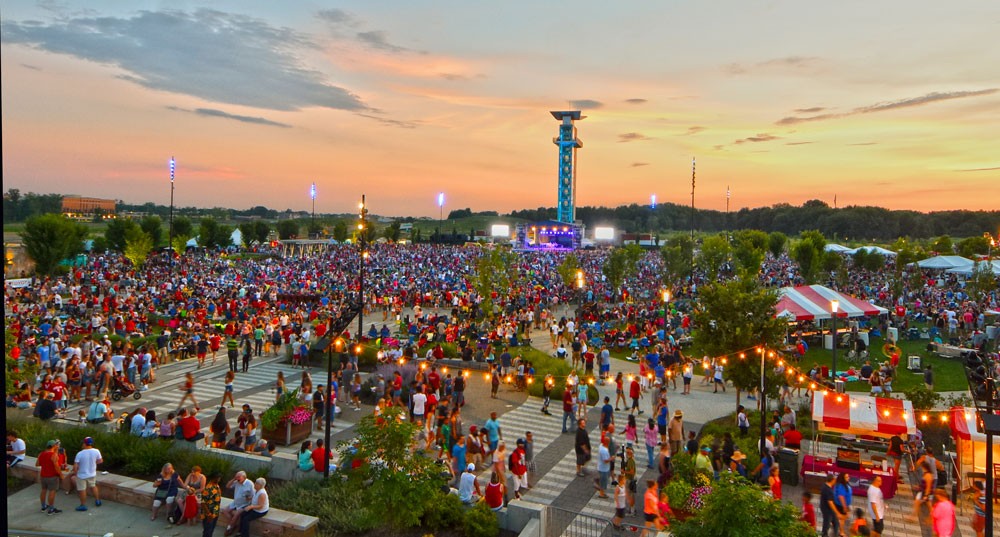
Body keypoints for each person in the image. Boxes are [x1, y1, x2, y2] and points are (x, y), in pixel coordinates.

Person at [72, 436, 103, 511]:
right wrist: (93, 463)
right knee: (93, 486)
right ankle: (97, 500)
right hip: (92, 473)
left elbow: (75, 466)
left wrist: (75, 474)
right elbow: (100, 461)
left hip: (81, 475)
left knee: (82, 490)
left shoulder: (80, 453)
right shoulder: (96, 451)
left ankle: (83, 505)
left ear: (85, 444)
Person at [36, 440, 64, 514]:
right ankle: (51, 509)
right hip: (52, 476)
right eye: (56, 445)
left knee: (43, 490)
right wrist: (61, 475)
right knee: (52, 491)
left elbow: (37, 464)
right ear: (53, 446)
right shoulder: (54, 455)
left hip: (43, 476)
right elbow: (56, 466)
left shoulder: (41, 454)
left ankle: (43, 506)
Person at [223, 471, 255, 536]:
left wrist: (249, 498)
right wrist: (233, 479)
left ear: (244, 477)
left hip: (244, 504)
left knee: (236, 515)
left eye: (238, 477)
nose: (237, 478)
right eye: (236, 477)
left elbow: (254, 496)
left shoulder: (250, 484)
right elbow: (227, 486)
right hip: (235, 502)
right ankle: (233, 524)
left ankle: (229, 528)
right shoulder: (237, 482)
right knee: (225, 511)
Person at [821, 472, 840, 537]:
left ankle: (835, 534)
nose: (835, 481)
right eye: (834, 480)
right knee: (826, 525)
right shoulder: (829, 491)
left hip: (827, 509)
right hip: (828, 511)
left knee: (836, 523)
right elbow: (830, 503)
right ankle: (824, 535)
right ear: (832, 480)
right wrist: (837, 512)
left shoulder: (824, 486)